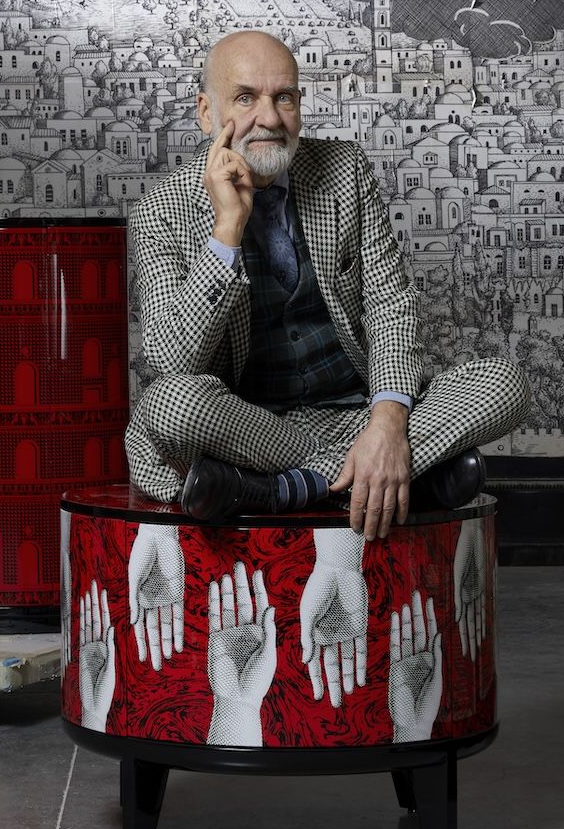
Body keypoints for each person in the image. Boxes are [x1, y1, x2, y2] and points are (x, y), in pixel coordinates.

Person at [125, 30, 529, 542]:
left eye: (284, 97)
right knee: (171, 404)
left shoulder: (344, 170)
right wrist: (226, 231)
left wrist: (385, 427)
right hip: (250, 431)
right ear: (208, 113)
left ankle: (285, 491)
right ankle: (395, 478)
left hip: (360, 415)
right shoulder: (162, 210)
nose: (269, 118)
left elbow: (390, 307)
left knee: (503, 382)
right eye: (246, 98)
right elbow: (174, 363)